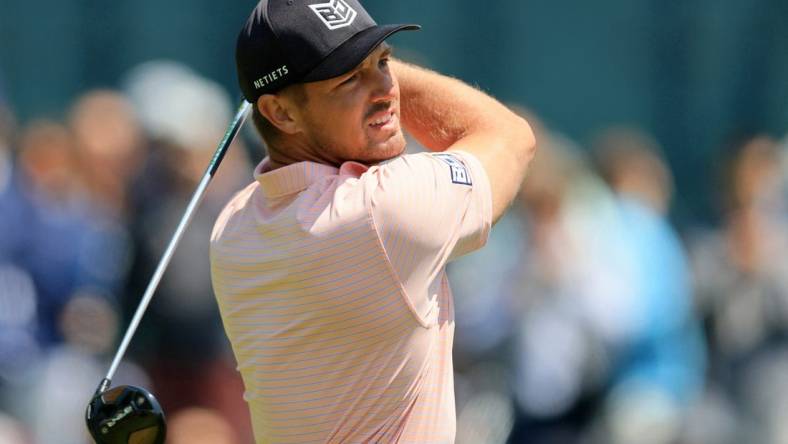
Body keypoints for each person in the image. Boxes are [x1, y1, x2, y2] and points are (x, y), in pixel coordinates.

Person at [209, 0, 535, 442]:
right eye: (348, 78)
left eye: (384, 62)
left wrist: (357, 68)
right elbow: (510, 137)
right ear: (281, 113)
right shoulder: (380, 212)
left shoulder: (233, 226)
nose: (386, 88)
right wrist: (382, 67)